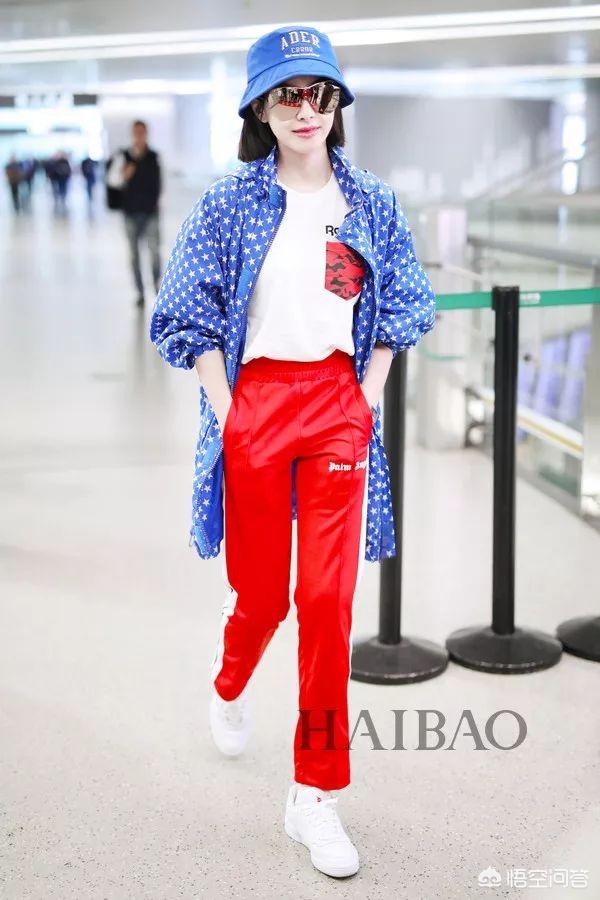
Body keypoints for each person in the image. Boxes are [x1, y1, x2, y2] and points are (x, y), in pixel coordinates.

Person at [149, 25, 437, 879]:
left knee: (327, 600)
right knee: (265, 595)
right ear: (261, 109)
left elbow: (401, 306)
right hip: (257, 403)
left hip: (338, 404)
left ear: (337, 102)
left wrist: (365, 397)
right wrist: (229, 409)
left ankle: (314, 795)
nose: (306, 109)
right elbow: (188, 311)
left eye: (319, 93)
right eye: (287, 94)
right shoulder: (229, 203)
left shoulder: (371, 201)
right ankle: (230, 673)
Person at [120, 120, 162, 307]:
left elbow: (158, 183)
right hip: (130, 213)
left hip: (150, 212)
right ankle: (139, 292)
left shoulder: (153, 156)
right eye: (136, 132)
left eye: (142, 132)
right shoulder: (125, 156)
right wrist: (128, 169)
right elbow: (117, 181)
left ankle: (157, 287)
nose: (139, 135)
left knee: (154, 252)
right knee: (134, 255)